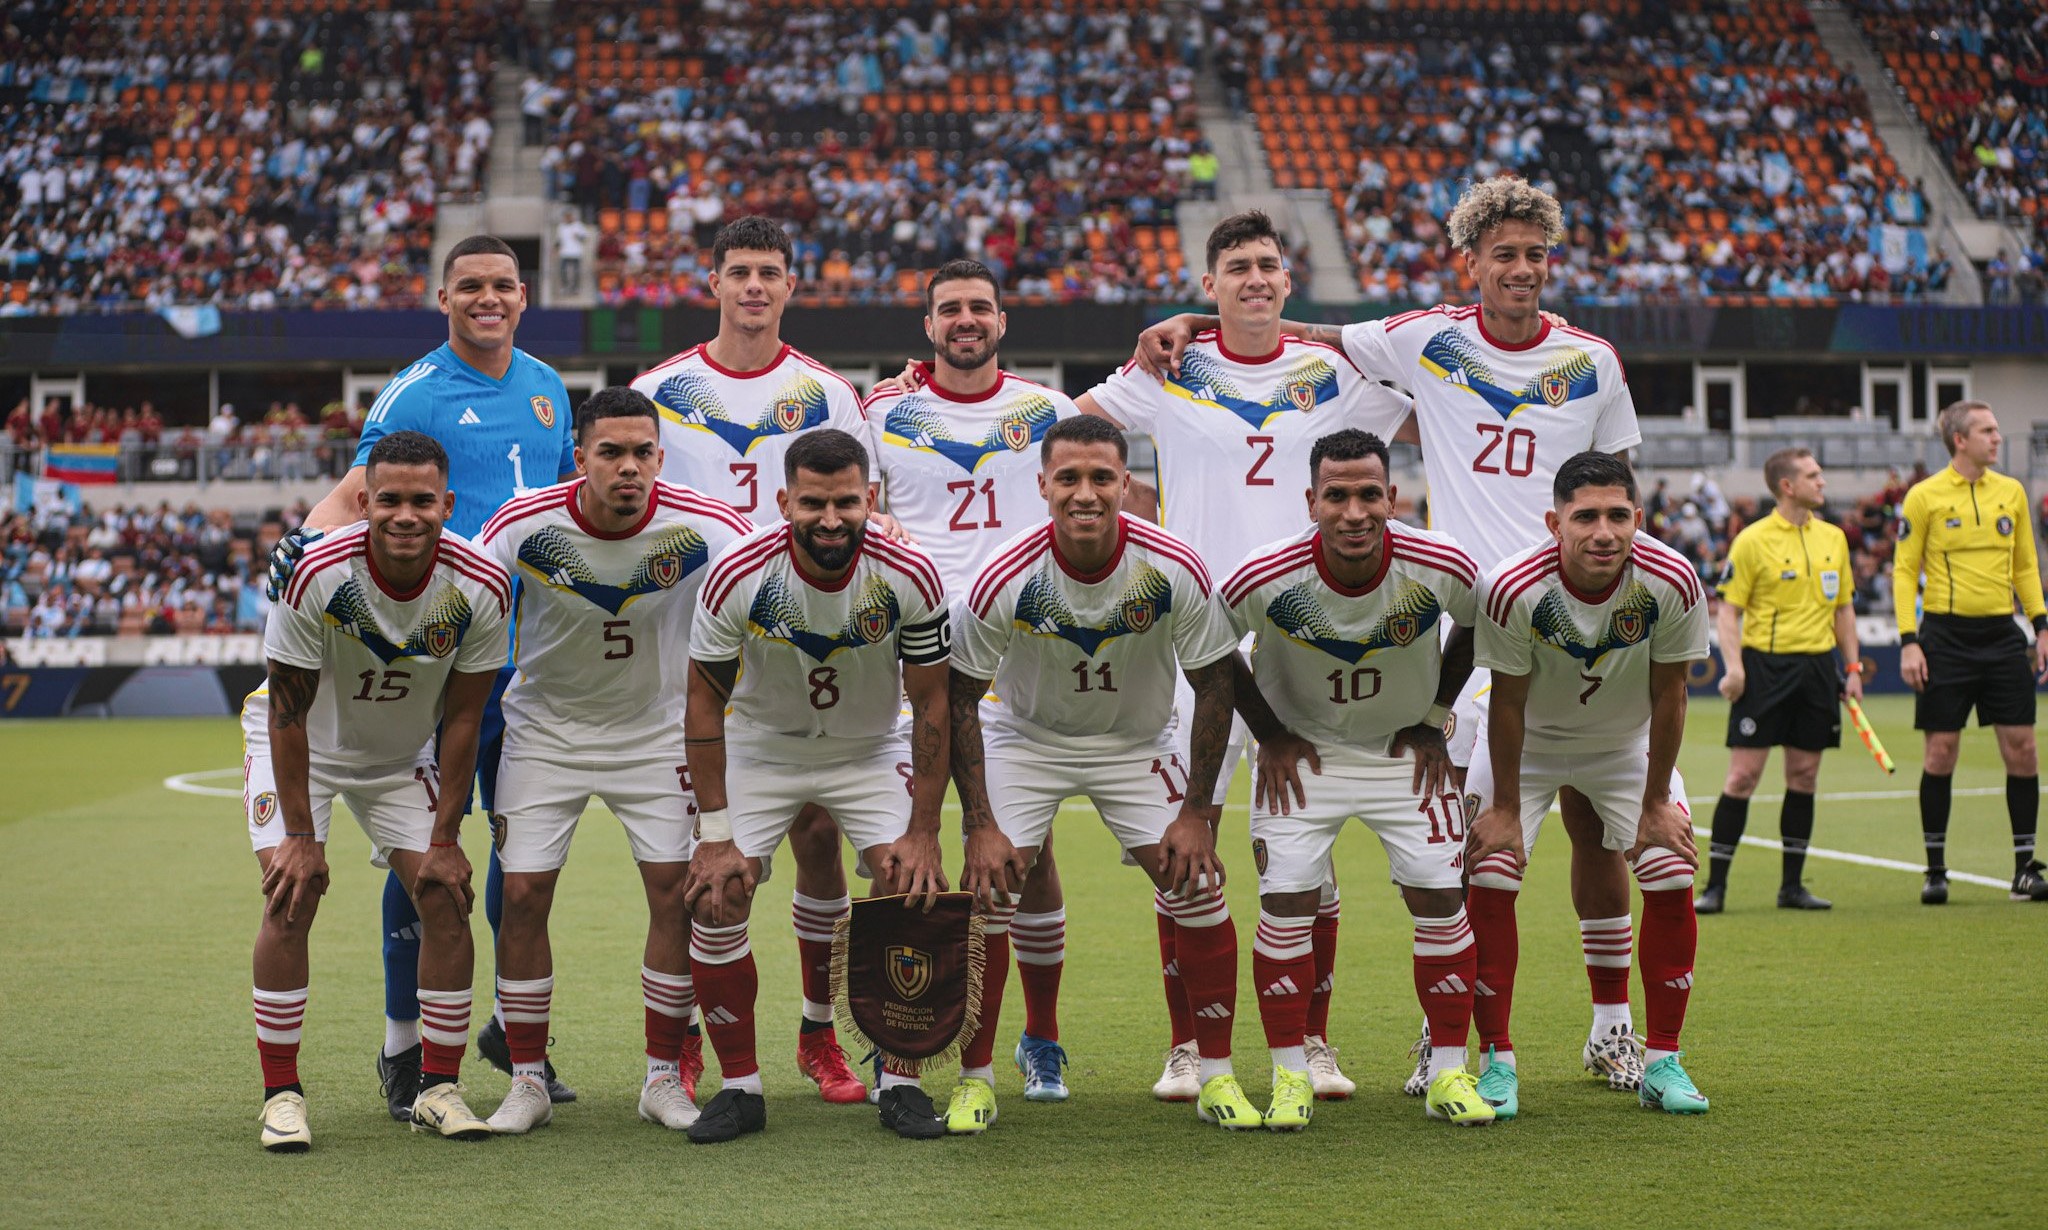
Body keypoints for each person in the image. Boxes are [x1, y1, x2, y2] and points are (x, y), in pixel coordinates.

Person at [1135, 177, 1650, 1101]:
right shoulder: (1410, 340)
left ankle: (1426, 1042)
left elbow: (1603, 478)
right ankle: (1196, 1049)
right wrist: (1193, 315)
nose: (1522, 268)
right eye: (1506, 253)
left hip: (1498, 624)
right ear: (1472, 264)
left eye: (1536, 254)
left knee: (1526, 841)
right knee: (1209, 849)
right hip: (1219, 631)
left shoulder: (1575, 362)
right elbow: (1067, 432)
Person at [1082, 209, 1409, 1102]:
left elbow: (1423, 396)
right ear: (1211, 282)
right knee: (1182, 845)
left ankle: (1313, 1044)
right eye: (1237, 267)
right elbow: (1067, 433)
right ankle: (1188, 1046)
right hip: (1193, 637)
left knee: (1302, 850)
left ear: (1287, 281)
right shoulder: (1169, 369)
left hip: (1305, 641)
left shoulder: (1337, 372)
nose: (1255, 278)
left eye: (1268, 265)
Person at [271, 235, 579, 1118]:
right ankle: (403, 1043)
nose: (488, 300)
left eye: (502, 287)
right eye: (470, 287)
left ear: (524, 297)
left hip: (528, 666)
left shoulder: (549, 388)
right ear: (443, 297)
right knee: (425, 857)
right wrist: (302, 537)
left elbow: (560, 508)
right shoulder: (416, 390)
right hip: (439, 662)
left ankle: (516, 1039)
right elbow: (360, 490)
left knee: (523, 861)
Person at [632, 214, 882, 1103]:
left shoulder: (827, 393)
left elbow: (861, 513)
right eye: (738, 270)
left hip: (797, 651)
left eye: (770, 271)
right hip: (685, 655)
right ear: (713, 282)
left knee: (819, 840)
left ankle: (820, 1034)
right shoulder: (658, 388)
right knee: (694, 869)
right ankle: (693, 1045)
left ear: (790, 284)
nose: (753, 286)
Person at [949, 415, 1253, 1133]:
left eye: (1101, 478)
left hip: (1135, 744)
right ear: (1043, 486)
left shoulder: (1172, 564)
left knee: (1198, 889)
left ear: (1126, 483)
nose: (1085, 493)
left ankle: (1216, 1075)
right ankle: (975, 1079)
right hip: (1028, 741)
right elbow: (960, 696)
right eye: (1069, 479)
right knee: (990, 893)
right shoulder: (1005, 574)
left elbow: (1216, 685)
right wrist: (980, 824)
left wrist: (1195, 812)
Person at [471, 388, 752, 1134]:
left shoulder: (703, 524)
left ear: (660, 457)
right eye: (611, 453)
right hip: (546, 732)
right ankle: (526, 1079)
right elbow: (461, 594)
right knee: (524, 895)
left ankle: (662, 1076)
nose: (629, 468)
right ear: (580, 458)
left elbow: (771, 568)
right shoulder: (523, 526)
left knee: (672, 894)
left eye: (642, 453)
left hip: (656, 733)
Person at [680, 428, 953, 1142]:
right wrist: (713, 837)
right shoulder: (738, 573)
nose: (829, 520)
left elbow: (931, 704)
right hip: (763, 748)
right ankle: (740, 1088)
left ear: (871, 498)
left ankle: (901, 1080)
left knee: (908, 883)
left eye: (844, 504)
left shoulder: (910, 573)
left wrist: (924, 832)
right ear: (783, 502)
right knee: (717, 894)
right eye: (811, 504)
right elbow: (703, 703)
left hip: (868, 748)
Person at [245, 430, 512, 1150]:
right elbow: (288, 711)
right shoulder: (318, 573)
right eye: (388, 499)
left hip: (399, 757)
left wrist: (449, 838)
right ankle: (281, 1095)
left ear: (447, 503)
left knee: (445, 893)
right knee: (290, 891)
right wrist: (300, 837)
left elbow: (463, 717)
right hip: (304, 746)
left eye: (422, 500)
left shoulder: (482, 584)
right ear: (364, 503)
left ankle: (438, 1088)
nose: (405, 515)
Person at [1219, 429, 1491, 1130]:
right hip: (1303, 759)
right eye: (1336, 495)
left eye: (1369, 493)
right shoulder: (1266, 574)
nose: (1354, 511)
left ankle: (1449, 1073)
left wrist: (1435, 716)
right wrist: (1268, 733)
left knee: (1441, 903)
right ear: (1310, 502)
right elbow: (1212, 648)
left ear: (1393, 497)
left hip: (1403, 756)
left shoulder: (1442, 564)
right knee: (1286, 907)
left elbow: (1479, 627)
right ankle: (1288, 1079)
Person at [868, 259, 1081, 1101]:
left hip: (1015, 642)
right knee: (902, 845)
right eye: (949, 308)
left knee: (1026, 850)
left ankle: (1042, 1039)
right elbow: (858, 499)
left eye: (979, 307)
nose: (966, 319)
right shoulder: (881, 409)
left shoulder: (1049, 411)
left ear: (1002, 319)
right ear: (928, 326)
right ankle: (902, 1046)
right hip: (910, 647)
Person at [1465, 452, 1712, 1117]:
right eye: (1585, 517)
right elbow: (1508, 702)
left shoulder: (1673, 579)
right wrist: (1508, 810)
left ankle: (1662, 1060)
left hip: (1623, 745)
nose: (1603, 532)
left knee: (1668, 868)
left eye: (1617, 515)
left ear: (1638, 517)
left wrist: (1658, 800)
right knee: (1490, 871)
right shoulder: (1513, 587)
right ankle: (1496, 1061)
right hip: (1530, 744)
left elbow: (1671, 693)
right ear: (1555, 522)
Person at [1892, 401, 2048, 905]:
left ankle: (2026, 868)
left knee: (2022, 748)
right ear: (1960, 439)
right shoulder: (1924, 497)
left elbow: (2026, 564)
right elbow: (1902, 570)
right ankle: (1935, 869)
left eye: (1997, 430)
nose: (1999, 438)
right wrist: (1909, 640)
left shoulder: (2013, 492)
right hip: (1944, 638)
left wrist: (2041, 626)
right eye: (1988, 430)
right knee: (1941, 751)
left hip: (2004, 635)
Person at [1698, 448, 1860, 914]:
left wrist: (1850, 670)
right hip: (1765, 669)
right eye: (1813, 476)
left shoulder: (1834, 538)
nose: (1823, 483)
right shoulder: (1752, 540)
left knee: (1804, 775)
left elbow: (1844, 610)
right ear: (1787, 486)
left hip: (1816, 670)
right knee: (1744, 776)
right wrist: (1735, 667)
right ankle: (1716, 887)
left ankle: (1792, 887)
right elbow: (1729, 611)